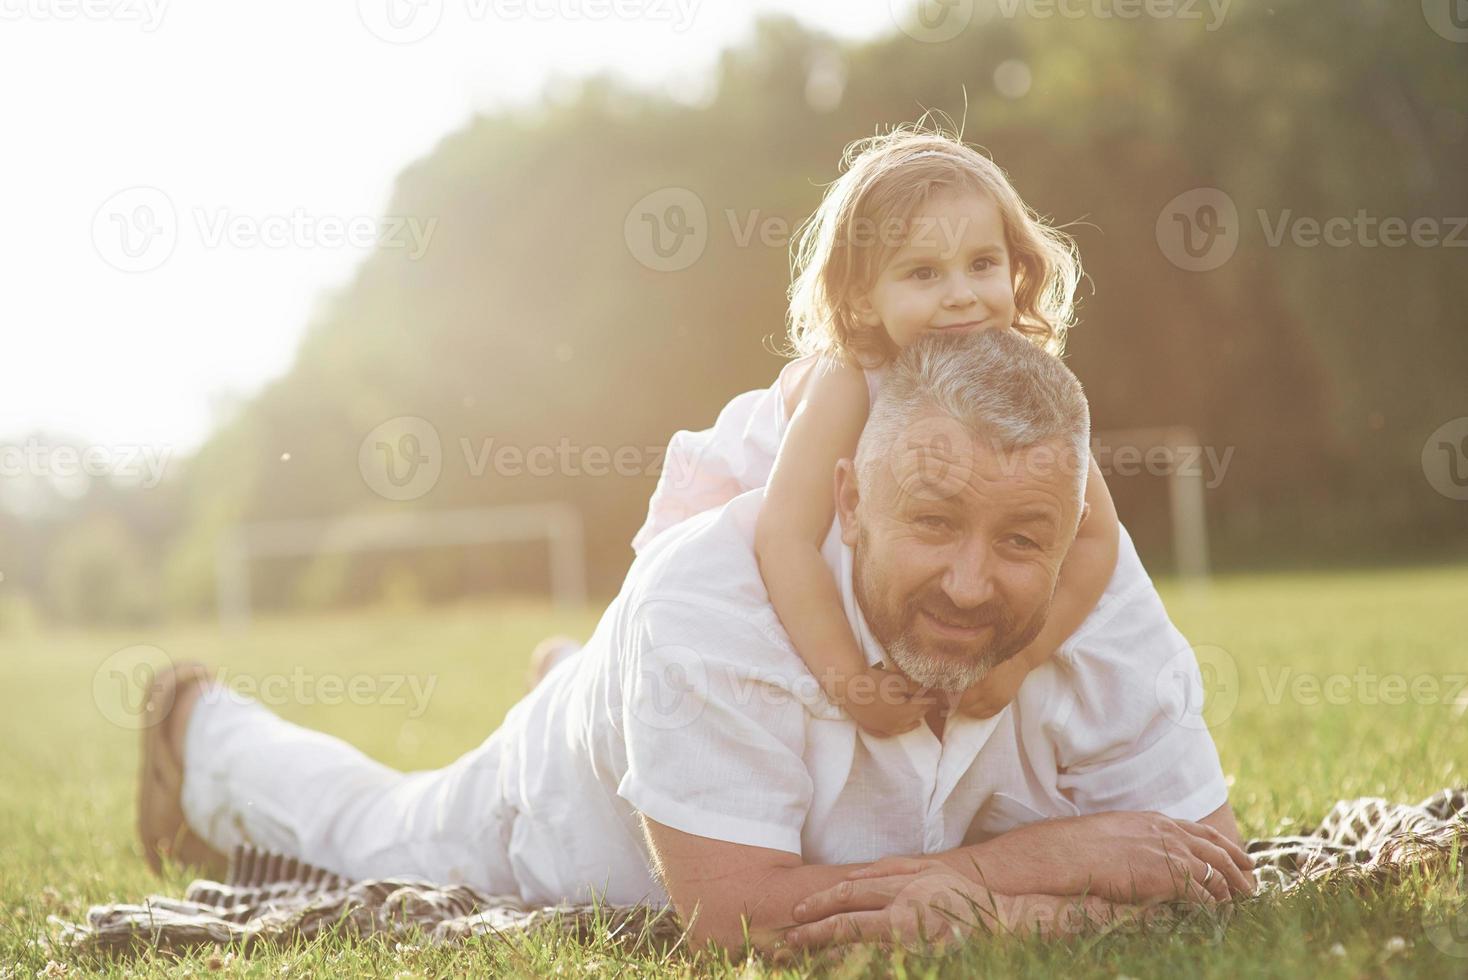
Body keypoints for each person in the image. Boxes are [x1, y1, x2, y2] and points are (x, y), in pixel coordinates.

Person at [137, 329, 1251, 954]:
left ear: (1072, 534)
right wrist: (1038, 867)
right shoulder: (709, 606)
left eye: (1020, 539)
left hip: (667, 704)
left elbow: (1211, 873)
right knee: (376, 824)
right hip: (569, 820)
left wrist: (963, 896)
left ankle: (582, 678)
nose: (972, 581)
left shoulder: (1099, 603)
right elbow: (740, 922)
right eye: (931, 521)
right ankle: (206, 730)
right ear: (849, 500)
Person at [630, 124, 1119, 736]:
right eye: (923, 273)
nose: (962, 295)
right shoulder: (848, 380)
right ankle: (563, 666)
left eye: (983, 264)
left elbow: (1097, 536)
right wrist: (852, 683)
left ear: (1015, 271)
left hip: (859, 511)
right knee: (705, 629)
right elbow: (784, 538)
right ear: (863, 299)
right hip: (742, 492)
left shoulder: (1021, 385)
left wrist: (1022, 659)